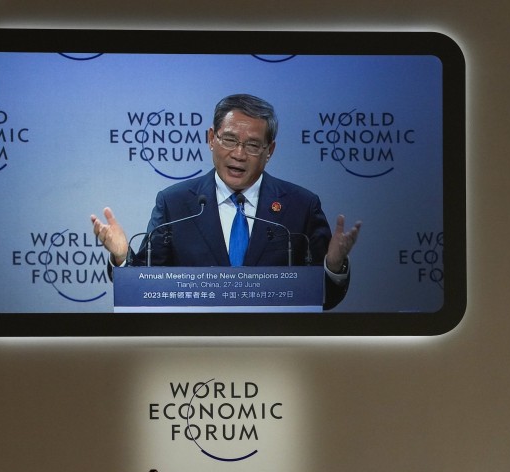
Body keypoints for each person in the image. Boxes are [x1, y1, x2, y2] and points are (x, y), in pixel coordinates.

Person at [91, 93, 362, 310]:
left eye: (253, 145)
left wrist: (333, 266)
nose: (239, 154)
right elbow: (144, 287)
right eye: (229, 140)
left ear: (270, 151)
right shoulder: (175, 204)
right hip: (193, 349)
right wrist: (122, 256)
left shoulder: (301, 205)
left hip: (276, 348)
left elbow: (325, 298)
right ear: (211, 139)